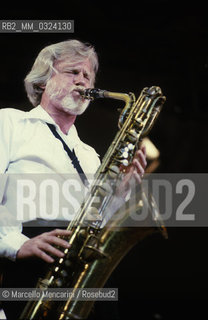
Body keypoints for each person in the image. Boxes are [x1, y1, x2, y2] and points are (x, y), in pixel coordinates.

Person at [0, 39, 147, 319]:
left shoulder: (90, 155)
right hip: (33, 262)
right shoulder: (9, 123)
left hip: (83, 270)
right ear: (43, 81)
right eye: (72, 72)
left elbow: (98, 223)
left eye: (87, 75)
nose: (82, 80)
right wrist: (16, 244)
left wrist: (120, 193)